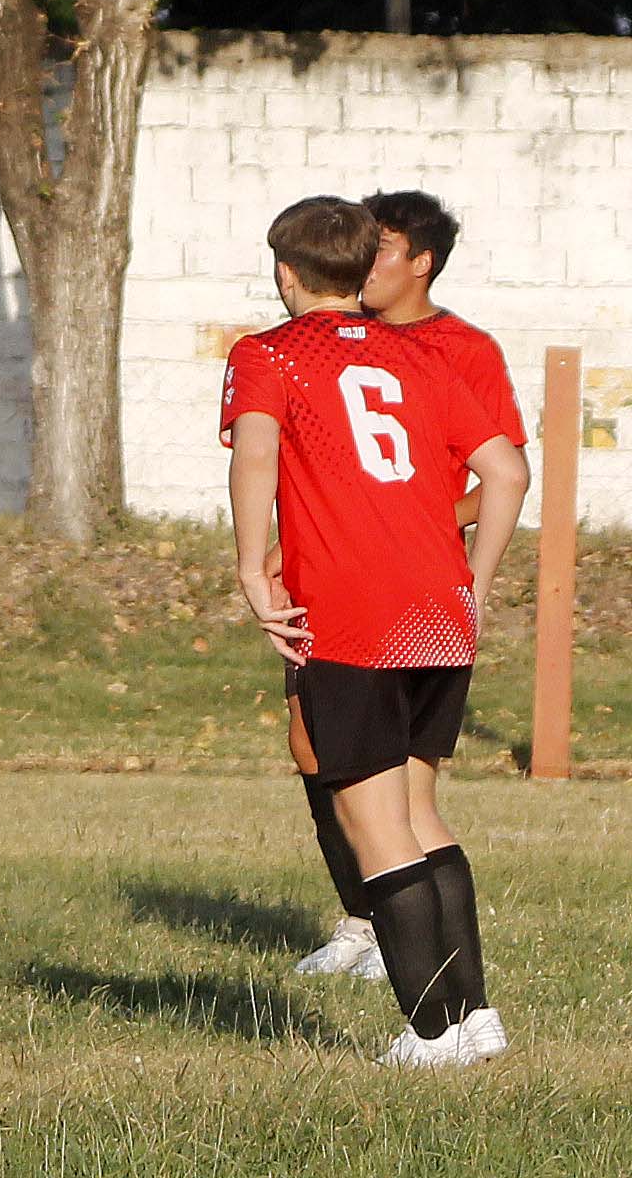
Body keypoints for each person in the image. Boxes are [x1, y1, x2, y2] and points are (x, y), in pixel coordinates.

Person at [224, 196, 527, 1067]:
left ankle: (428, 1032)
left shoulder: (269, 354)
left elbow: (254, 453)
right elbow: (505, 470)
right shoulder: (425, 354)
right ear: (364, 272)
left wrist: (253, 568)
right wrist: (474, 579)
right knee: (422, 812)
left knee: (375, 825)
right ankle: (473, 1019)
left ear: (286, 272)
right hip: (438, 610)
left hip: (353, 615)